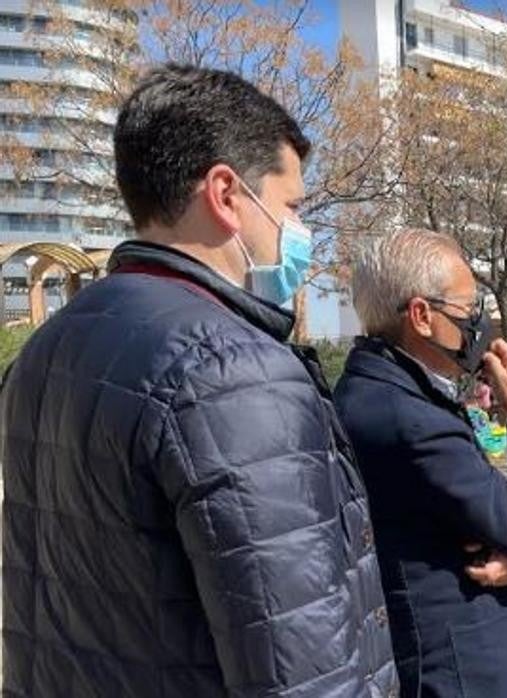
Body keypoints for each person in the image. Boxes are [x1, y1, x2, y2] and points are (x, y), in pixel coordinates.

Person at [0, 64, 397, 696]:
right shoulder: (234, 368)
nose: (298, 232)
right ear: (226, 194)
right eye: (291, 206)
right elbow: (299, 662)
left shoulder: (47, 348)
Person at [334, 229, 507, 698]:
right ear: (421, 315)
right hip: (469, 673)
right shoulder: (412, 419)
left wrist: (504, 546)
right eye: (468, 310)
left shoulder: (381, 391)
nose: (478, 323)